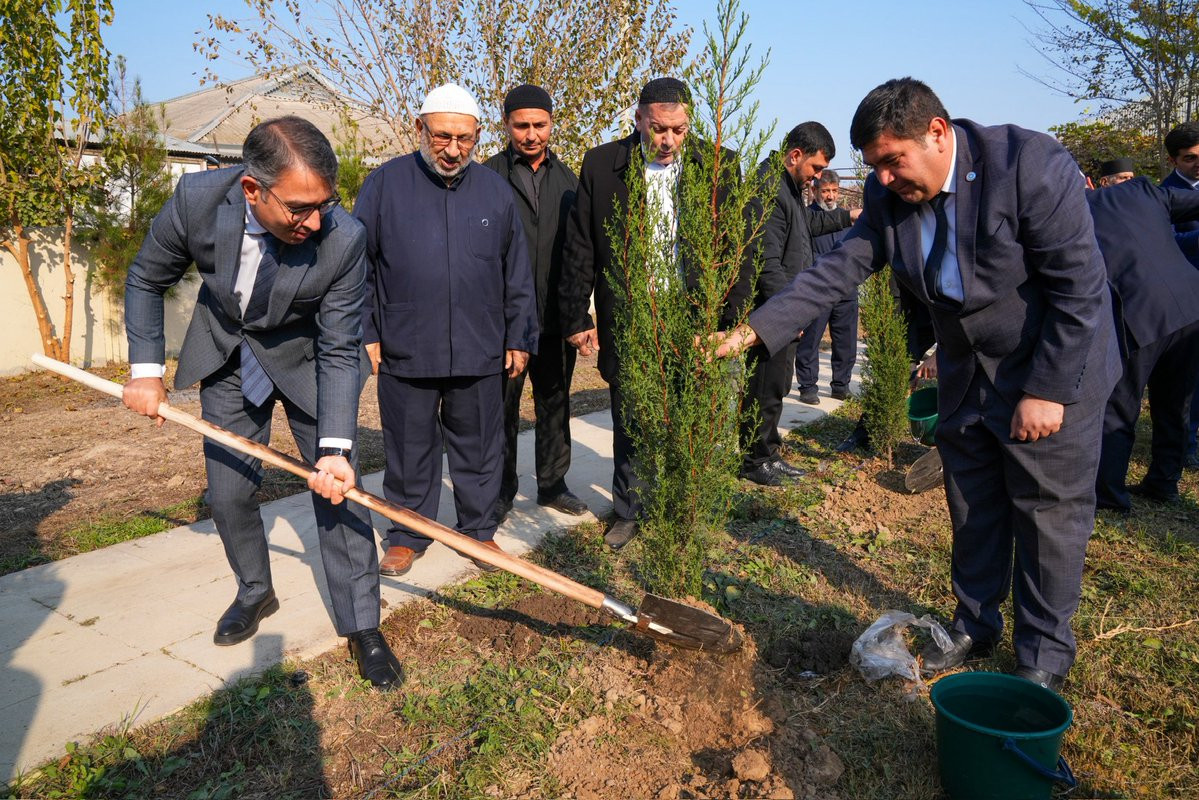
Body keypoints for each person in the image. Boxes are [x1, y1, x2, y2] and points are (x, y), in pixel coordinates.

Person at [714, 78, 1121, 693]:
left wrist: (1048, 390)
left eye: (892, 161)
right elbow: (835, 272)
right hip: (967, 373)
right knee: (973, 504)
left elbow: (1079, 287)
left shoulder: (1027, 165)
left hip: (1049, 364)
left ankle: (1042, 655)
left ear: (937, 132)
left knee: (1047, 514)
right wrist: (752, 332)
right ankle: (974, 623)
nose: (882, 179)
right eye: (873, 166)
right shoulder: (890, 197)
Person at [123, 116, 402, 690]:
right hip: (227, 352)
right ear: (253, 189)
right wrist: (146, 372)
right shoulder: (197, 202)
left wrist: (335, 449)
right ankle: (255, 590)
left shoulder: (343, 237)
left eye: (324, 204)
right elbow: (147, 278)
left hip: (309, 360)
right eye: (300, 208)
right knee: (228, 493)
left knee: (338, 491)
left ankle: (362, 624)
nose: (315, 221)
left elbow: (339, 345)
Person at [354, 84, 538, 578]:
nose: (453, 150)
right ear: (420, 128)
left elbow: (517, 271)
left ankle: (478, 531)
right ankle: (407, 534)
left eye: (464, 138)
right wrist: (367, 330)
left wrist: (519, 336)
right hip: (406, 344)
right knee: (408, 447)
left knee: (480, 447)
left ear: (478, 135)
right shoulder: (384, 185)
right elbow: (357, 267)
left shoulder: (495, 191)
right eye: (442, 137)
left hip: (480, 346)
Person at [560, 77, 738, 548]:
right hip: (630, 312)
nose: (669, 141)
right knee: (631, 414)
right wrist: (577, 316)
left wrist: (731, 322)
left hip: (693, 315)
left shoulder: (718, 166)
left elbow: (734, 250)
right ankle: (630, 509)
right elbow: (581, 246)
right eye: (659, 129)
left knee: (690, 412)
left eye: (679, 131)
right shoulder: (602, 165)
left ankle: (682, 504)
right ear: (638, 119)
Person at [483, 84, 587, 523]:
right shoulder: (486, 178)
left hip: (556, 318)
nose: (531, 134)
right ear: (506, 125)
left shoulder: (570, 182)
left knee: (555, 401)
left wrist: (578, 314)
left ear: (551, 124)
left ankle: (553, 483)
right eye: (521, 125)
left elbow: (581, 251)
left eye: (539, 125)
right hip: (505, 322)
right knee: (501, 409)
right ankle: (500, 490)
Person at [739, 124, 854, 486]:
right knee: (765, 385)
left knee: (776, 385)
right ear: (795, 155)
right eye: (816, 168)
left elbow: (807, 226)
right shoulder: (769, 189)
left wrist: (848, 216)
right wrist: (787, 313)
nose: (818, 177)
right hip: (770, 312)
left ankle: (769, 452)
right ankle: (756, 460)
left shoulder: (788, 188)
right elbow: (766, 262)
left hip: (780, 309)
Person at [1090, 177, 1199, 511]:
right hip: (1190, 308)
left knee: (1120, 406)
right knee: (1175, 403)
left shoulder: (1069, 213)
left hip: (1137, 315)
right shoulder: (1141, 190)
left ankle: (1109, 495)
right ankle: (1164, 483)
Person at [794, 168, 859, 405]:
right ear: (814, 191)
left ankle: (841, 385)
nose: (830, 196)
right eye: (825, 191)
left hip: (845, 289)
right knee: (810, 339)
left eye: (834, 191)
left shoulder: (847, 219)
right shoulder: (807, 218)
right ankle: (808, 386)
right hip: (817, 289)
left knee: (846, 340)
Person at [1160, 123, 1199, 468]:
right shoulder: (1163, 196)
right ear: (1174, 160)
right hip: (1187, 297)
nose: (1198, 164)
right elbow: (1166, 243)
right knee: (1190, 378)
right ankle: (1187, 443)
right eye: (1190, 158)